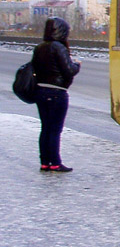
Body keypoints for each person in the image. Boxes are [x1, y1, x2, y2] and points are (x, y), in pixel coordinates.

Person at [32, 17, 80, 172]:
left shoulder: (40, 47)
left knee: (45, 128)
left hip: (40, 91)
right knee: (55, 130)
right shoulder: (59, 48)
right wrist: (77, 65)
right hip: (56, 92)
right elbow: (69, 70)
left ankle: (45, 162)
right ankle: (56, 163)